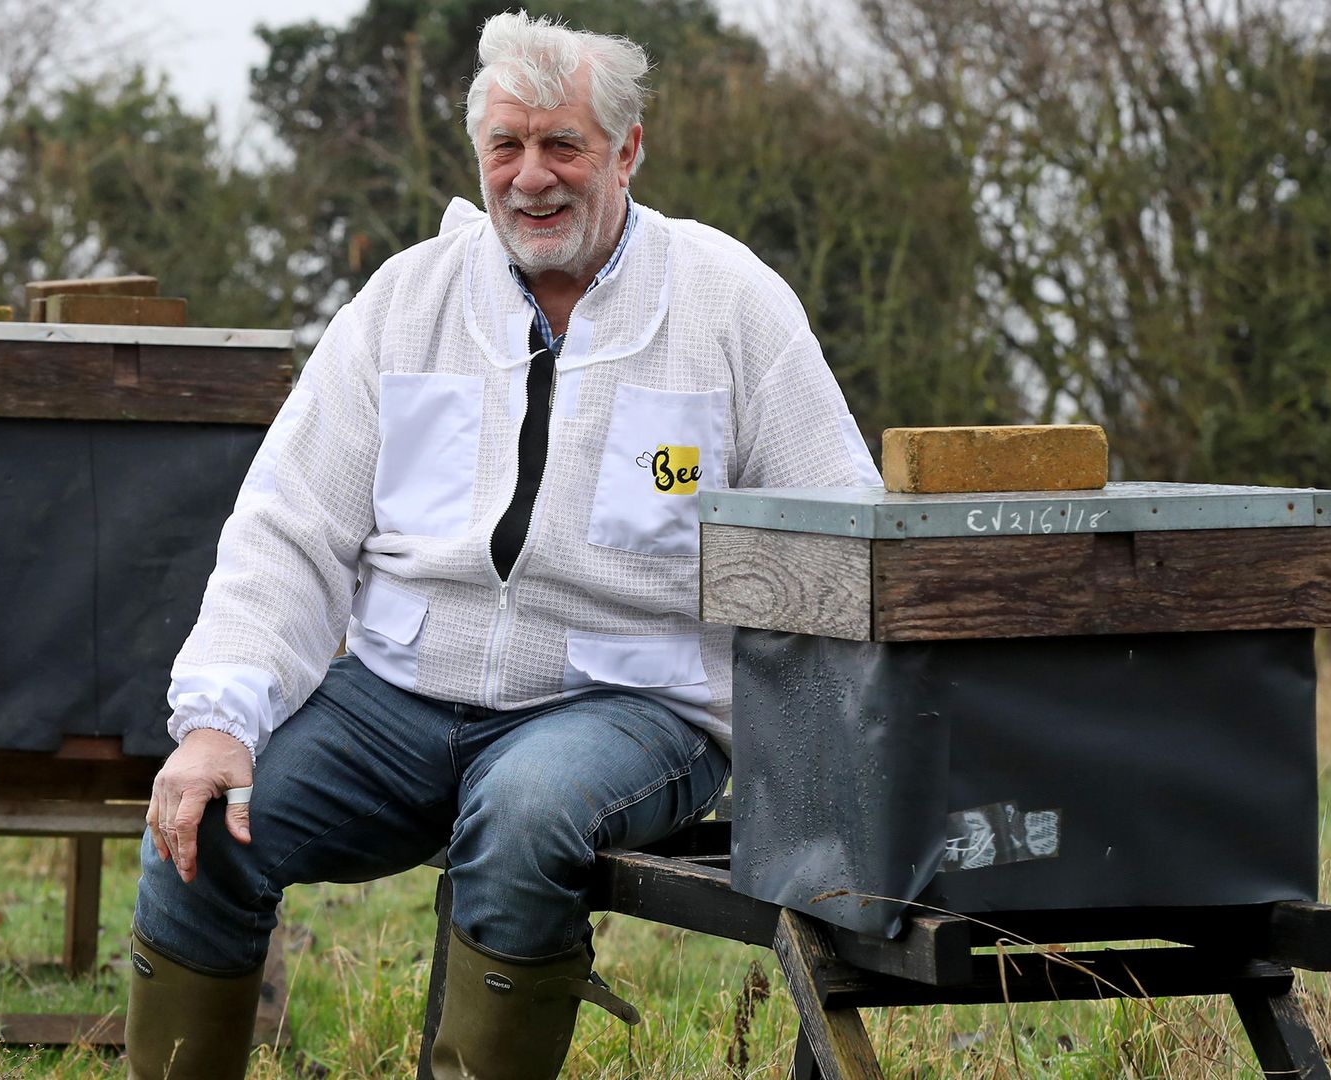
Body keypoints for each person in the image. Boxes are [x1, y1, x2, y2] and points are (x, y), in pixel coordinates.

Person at [125, 11, 883, 1079]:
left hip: (632, 703)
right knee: (203, 828)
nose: (532, 178)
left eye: (563, 145)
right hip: (396, 698)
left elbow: (841, 534)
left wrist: (842, 768)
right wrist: (217, 722)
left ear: (628, 149)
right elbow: (287, 528)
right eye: (507, 149)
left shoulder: (729, 304)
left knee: (523, 812)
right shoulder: (405, 302)